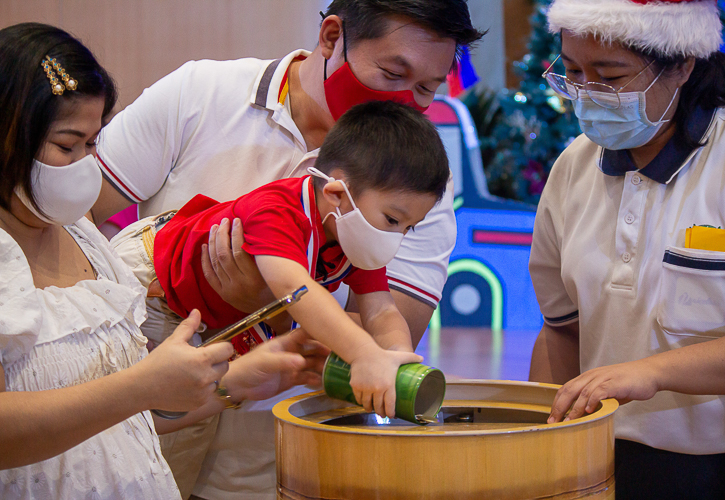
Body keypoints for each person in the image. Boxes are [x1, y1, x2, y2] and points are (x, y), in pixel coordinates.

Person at [89, 1, 484, 498]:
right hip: (156, 313)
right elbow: (75, 218)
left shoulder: (411, 186)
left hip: (270, 447)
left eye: (427, 88)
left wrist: (389, 356)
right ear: (332, 36)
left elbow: (382, 317)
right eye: (392, 73)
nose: (406, 101)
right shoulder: (208, 102)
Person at [0, 23, 326, 499]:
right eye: (67, 146)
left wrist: (240, 379)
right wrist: (141, 387)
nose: (86, 163)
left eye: (93, 144)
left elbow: (119, 417)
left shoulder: (86, 239)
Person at [527, 0, 725, 497]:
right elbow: (562, 330)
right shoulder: (574, 167)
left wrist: (651, 373)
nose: (587, 93)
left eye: (610, 75)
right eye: (573, 71)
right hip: (603, 458)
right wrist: (545, 444)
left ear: (682, 65)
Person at [112, 100, 449, 418]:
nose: (397, 237)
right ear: (335, 194)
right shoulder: (278, 210)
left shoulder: (353, 236)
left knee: (187, 412)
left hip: (203, 314)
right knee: (147, 425)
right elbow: (295, 289)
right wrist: (364, 354)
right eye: (392, 220)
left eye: (409, 229)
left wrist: (396, 359)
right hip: (152, 282)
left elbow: (382, 309)